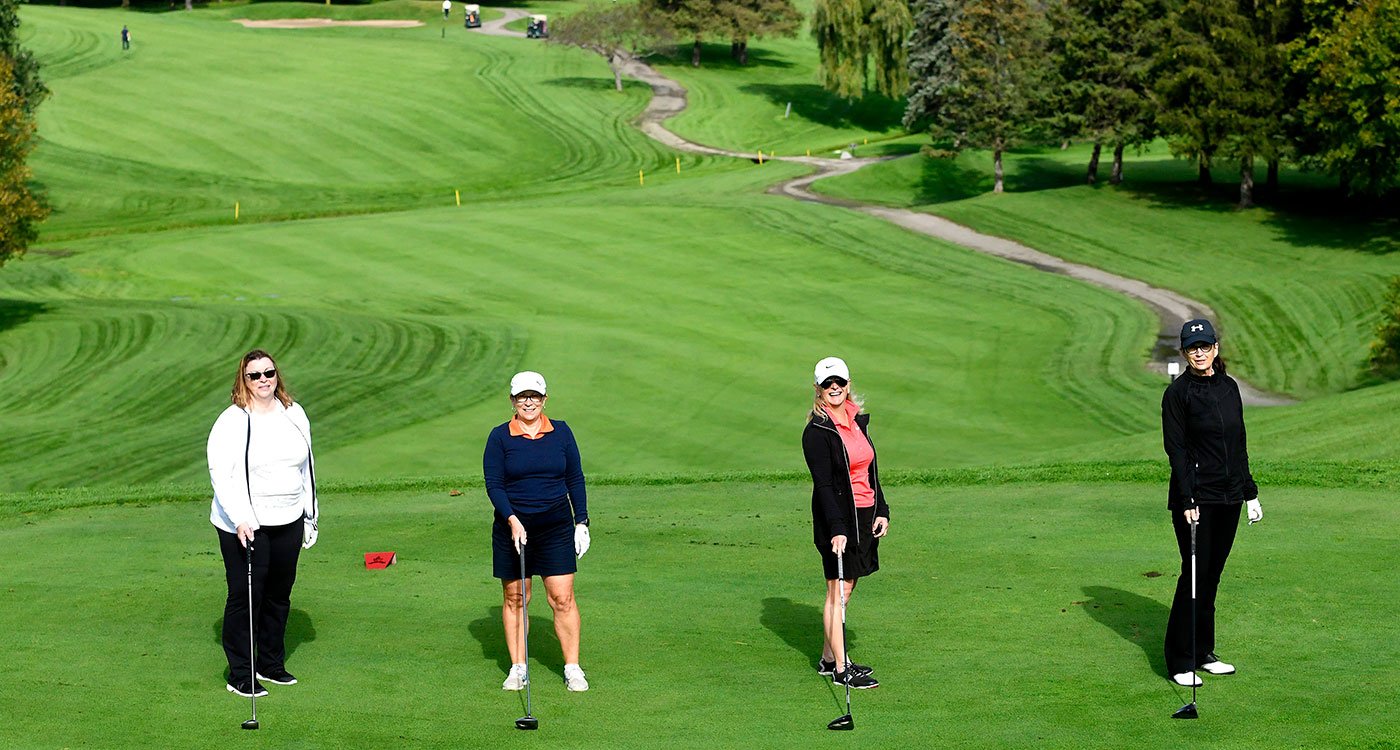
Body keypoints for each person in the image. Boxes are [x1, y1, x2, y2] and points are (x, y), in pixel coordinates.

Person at [208, 349, 319, 698]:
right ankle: (241, 673)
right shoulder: (233, 420)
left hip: (288, 518)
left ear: (277, 375)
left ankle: (270, 664)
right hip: (245, 524)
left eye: (268, 373)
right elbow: (222, 474)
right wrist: (241, 517)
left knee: (278, 595)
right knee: (245, 596)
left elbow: (307, 468)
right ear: (243, 379)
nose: (263, 381)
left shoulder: (294, 414)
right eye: (254, 375)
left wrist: (310, 514)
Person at [1161, 319, 1263, 688]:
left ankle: (1204, 653)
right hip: (1196, 500)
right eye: (1193, 347)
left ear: (1216, 349)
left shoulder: (1228, 387)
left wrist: (1250, 492)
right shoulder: (1178, 394)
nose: (1200, 352)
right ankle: (1178, 660)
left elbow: (1238, 444)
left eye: (1205, 346)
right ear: (1185, 353)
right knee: (1194, 575)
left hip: (1229, 496)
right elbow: (1177, 449)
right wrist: (1187, 496)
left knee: (1212, 576)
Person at [483, 371, 591, 692]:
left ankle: (572, 667)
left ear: (544, 399)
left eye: (534, 396)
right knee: (517, 597)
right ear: (512, 401)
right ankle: (518, 667)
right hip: (512, 528)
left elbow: (575, 478)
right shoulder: (499, 437)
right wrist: (512, 519)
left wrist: (581, 522)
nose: (528, 402)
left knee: (562, 598)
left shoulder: (562, 433)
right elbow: (495, 484)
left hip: (556, 526)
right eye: (521, 397)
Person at [802, 357, 889, 690]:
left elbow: (870, 469)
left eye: (839, 381)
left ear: (848, 383)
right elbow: (824, 485)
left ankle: (828, 659)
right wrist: (837, 528)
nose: (834, 387)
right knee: (837, 592)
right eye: (827, 384)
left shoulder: (857, 422)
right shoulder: (817, 431)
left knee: (848, 588)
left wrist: (882, 508)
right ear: (818, 389)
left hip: (864, 513)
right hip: (837, 519)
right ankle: (840, 668)